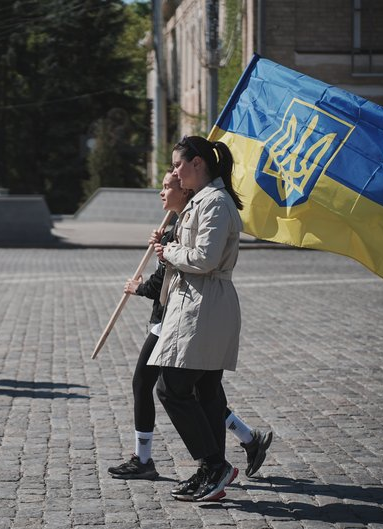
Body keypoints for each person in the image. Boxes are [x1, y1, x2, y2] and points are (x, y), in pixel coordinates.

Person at [107, 171, 273, 486]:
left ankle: (157, 461)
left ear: (184, 192)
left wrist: (139, 286)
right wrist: (163, 246)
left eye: (168, 185)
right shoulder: (174, 228)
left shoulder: (185, 226)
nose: (162, 191)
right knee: (204, 394)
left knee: (157, 386)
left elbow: (166, 282)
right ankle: (247, 441)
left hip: (175, 321)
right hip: (174, 319)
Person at [147, 135, 244, 502]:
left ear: (198, 163)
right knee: (206, 392)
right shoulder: (202, 200)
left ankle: (213, 465)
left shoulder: (215, 203)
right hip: (196, 301)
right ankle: (211, 471)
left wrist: (169, 249)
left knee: (171, 387)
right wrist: (169, 247)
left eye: (178, 164)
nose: (174, 171)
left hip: (205, 303)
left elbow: (204, 258)